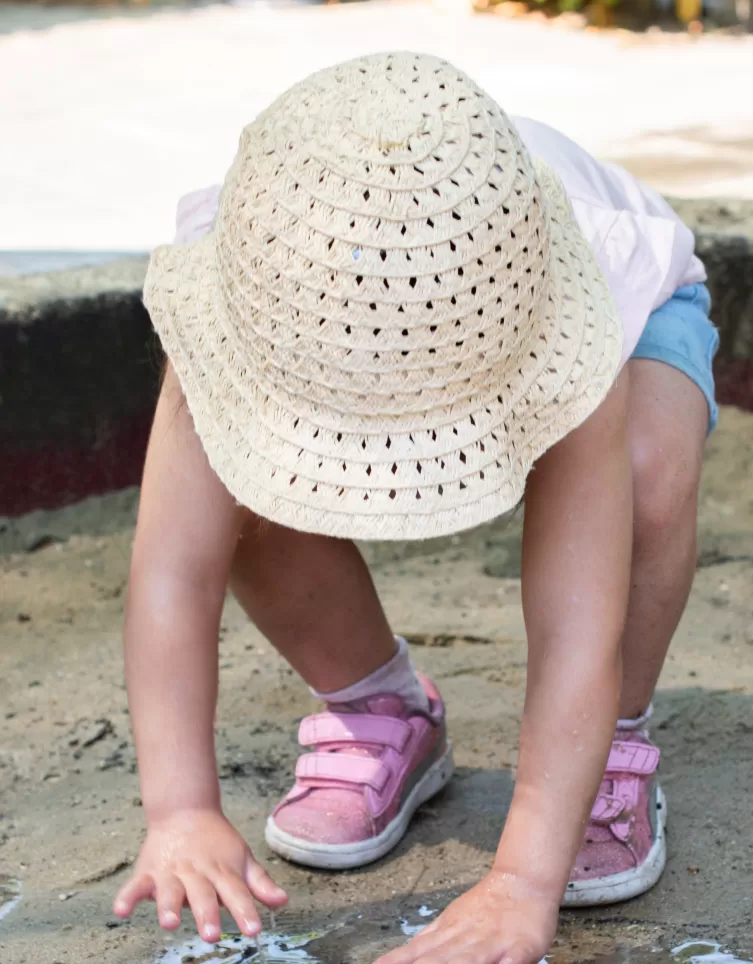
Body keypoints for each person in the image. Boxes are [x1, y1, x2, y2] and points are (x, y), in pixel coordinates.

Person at [112, 52, 718, 964]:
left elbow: (575, 626)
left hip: (607, 315)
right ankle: (378, 706)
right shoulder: (255, 281)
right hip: (321, 311)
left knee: (646, 474)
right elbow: (171, 572)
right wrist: (183, 808)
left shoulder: (569, 313)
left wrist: (521, 881)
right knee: (245, 482)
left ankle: (608, 754)